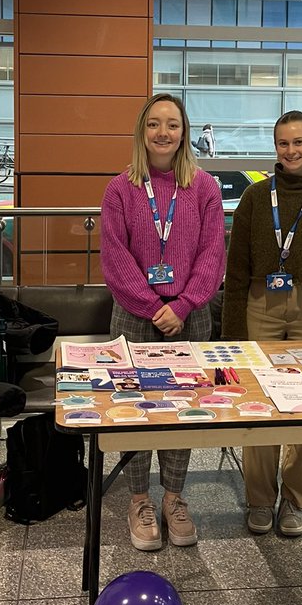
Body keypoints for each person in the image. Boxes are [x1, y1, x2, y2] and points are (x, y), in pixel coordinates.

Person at [101, 92, 226, 551]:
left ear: (184, 133)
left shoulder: (205, 188)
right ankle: (138, 499)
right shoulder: (120, 189)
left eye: (172, 125)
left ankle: (174, 497)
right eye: (154, 124)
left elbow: (213, 256)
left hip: (189, 317)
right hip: (135, 316)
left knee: (182, 409)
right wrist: (154, 306)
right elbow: (114, 258)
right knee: (137, 410)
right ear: (142, 132)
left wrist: (185, 303)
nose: (163, 133)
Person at [222, 110, 302, 537]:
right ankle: (260, 499)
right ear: (275, 148)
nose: (291, 150)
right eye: (283, 143)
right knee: (259, 402)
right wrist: (232, 336)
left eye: (299, 142)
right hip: (260, 303)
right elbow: (236, 269)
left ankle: (295, 501)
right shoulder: (256, 198)